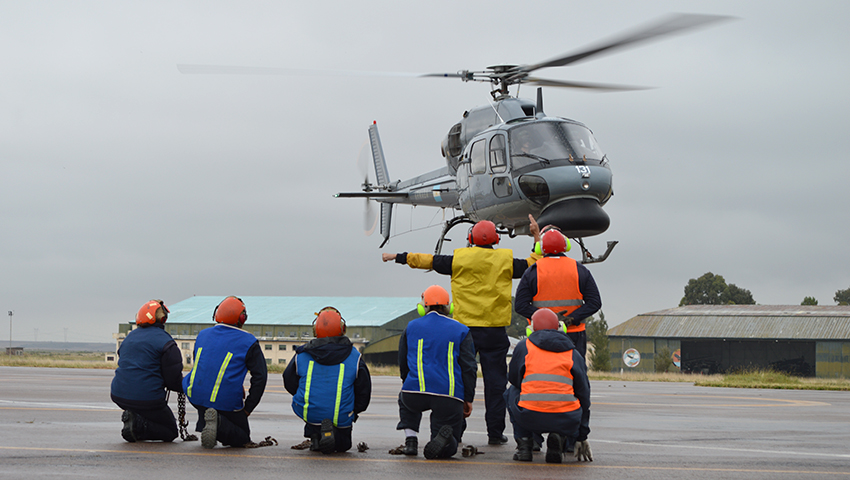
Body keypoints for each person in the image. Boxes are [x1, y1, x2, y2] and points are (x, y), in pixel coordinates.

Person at [383, 215, 541, 445]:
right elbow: (534, 262)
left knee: (459, 380)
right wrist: (536, 234)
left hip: (464, 331)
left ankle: (456, 432)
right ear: (496, 240)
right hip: (495, 331)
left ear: (470, 238)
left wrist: (398, 257)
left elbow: (428, 260)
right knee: (496, 385)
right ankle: (495, 434)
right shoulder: (505, 260)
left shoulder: (459, 258)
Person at [396, 285, 477, 459]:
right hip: (448, 396)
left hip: (414, 392)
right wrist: (467, 398)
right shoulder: (461, 330)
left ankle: (410, 441)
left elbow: (403, 361)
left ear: (423, 306)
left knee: (405, 400)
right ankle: (444, 440)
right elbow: (469, 367)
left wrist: (407, 382)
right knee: (446, 446)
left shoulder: (411, 327)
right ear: (449, 307)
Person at [506, 309, 592, 464]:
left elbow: (513, 378)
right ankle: (560, 438)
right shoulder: (573, 352)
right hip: (565, 418)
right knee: (574, 395)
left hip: (529, 416)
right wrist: (582, 436)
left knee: (512, 391)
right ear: (560, 328)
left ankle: (525, 445)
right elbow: (584, 395)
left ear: (531, 329)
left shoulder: (524, 347)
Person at [283, 307, 372, 454]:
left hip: (310, 412)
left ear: (315, 330)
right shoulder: (355, 357)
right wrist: (354, 411)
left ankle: (315, 436)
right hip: (341, 415)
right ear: (342, 328)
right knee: (343, 446)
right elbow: (364, 390)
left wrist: (303, 395)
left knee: (314, 411)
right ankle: (332, 434)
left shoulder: (302, 354)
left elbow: (288, 380)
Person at [182, 296, 267, 449]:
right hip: (225, 401)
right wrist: (248, 408)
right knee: (241, 437)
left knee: (207, 405)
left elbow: (204, 367)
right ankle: (219, 424)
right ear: (242, 318)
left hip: (196, 396)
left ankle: (206, 424)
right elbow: (260, 377)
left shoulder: (202, 335)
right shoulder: (249, 341)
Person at [514, 227, 602, 359]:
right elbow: (594, 303)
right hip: (574, 333)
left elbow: (520, 305)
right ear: (566, 246)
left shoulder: (533, 271)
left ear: (540, 248)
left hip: (541, 333)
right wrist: (570, 320)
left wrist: (547, 319)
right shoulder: (579, 269)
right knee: (574, 372)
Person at [111, 299, 183, 442]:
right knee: (170, 432)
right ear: (163, 319)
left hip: (118, 395)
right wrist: (186, 386)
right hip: (149, 399)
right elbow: (173, 381)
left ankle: (134, 419)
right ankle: (138, 425)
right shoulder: (166, 341)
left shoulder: (129, 338)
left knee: (144, 411)